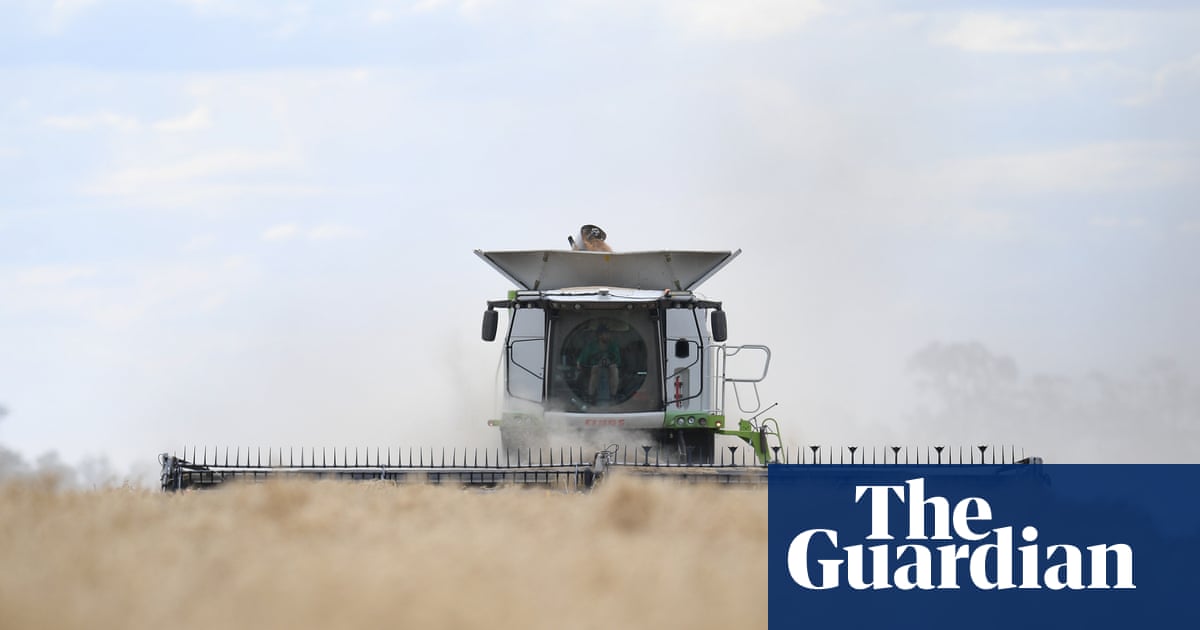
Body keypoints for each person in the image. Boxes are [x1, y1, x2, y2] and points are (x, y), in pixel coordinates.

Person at [577, 325, 621, 402]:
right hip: (592, 370)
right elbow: (581, 361)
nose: (608, 336)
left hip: (610, 369)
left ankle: (613, 395)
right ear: (599, 336)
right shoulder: (590, 346)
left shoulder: (613, 346)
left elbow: (618, 361)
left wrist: (610, 362)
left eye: (608, 334)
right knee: (595, 368)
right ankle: (590, 396)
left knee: (614, 369)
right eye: (606, 334)